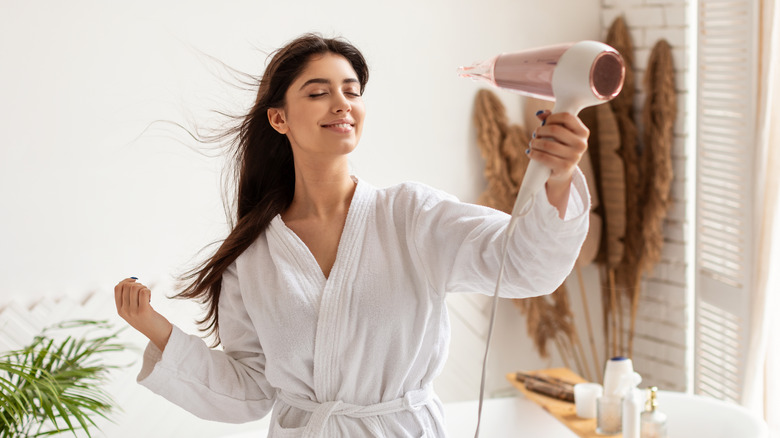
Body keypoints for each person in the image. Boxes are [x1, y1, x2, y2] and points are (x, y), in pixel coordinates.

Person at [114, 33, 590, 437]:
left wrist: (560, 176)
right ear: (279, 118)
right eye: (318, 93)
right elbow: (251, 390)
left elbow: (526, 266)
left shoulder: (411, 216)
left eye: (352, 91)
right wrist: (154, 327)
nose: (342, 103)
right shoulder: (255, 253)